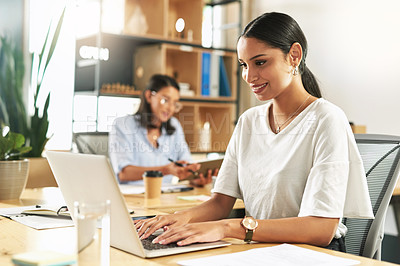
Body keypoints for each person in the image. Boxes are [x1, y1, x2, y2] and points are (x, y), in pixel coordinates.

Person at [134, 12, 374, 252]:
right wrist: (179, 217)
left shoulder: (327, 119)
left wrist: (228, 228)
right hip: (262, 248)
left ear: (294, 56)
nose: (248, 76)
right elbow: (220, 202)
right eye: (243, 65)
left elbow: (321, 229)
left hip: (312, 253)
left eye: (260, 62)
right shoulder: (249, 121)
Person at [109, 74, 212, 186]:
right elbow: (124, 173)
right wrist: (166, 170)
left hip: (165, 197)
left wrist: (195, 178)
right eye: (165, 100)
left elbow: (185, 165)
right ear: (149, 96)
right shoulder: (123, 125)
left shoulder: (174, 125)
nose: (171, 108)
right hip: (132, 198)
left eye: (175, 103)